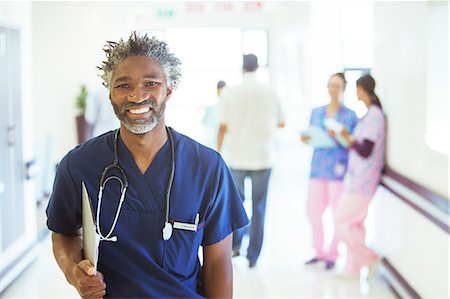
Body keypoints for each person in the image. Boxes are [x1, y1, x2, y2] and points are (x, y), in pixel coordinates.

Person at [46, 32, 249, 298]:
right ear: (110, 95)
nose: (137, 96)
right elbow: (63, 233)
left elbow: (219, 260)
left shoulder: (207, 167)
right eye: (123, 86)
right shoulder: (79, 165)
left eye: (151, 83)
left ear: (168, 90)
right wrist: (75, 272)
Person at [217, 54, 285, 268]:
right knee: (259, 207)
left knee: (237, 204)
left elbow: (222, 126)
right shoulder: (270, 91)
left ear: (242, 68)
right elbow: (282, 123)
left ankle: (236, 245)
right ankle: (253, 256)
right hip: (263, 157)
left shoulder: (230, 93)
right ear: (258, 67)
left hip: (236, 156)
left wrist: (217, 154)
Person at [301, 73, 358, 270]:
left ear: (343, 89)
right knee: (313, 211)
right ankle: (319, 251)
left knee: (337, 213)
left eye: (338, 86)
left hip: (338, 170)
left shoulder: (350, 116)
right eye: (331, 85)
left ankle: (332, 254)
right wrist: (306, 138)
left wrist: (340, 136)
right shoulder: (317, 112)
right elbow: (311, 135)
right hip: (318, 169)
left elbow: (353, 143)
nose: (333, 89)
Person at [333, 74, 386, 279]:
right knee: (355, 223)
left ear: (363, 90)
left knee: (340, 222)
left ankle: (369, 257)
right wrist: (346, 137)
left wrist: (349, 138)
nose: (355, 93)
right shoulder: (369, 114)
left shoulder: (375, 115)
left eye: (357, 89)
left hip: (363, 182)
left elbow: (365, 150)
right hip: (357, 178)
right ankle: (354, 268)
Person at [201, 80, 226, 149]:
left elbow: (207, 132)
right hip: (218, 146)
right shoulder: (211, 109)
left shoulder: (211, 109)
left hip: (215, 147)